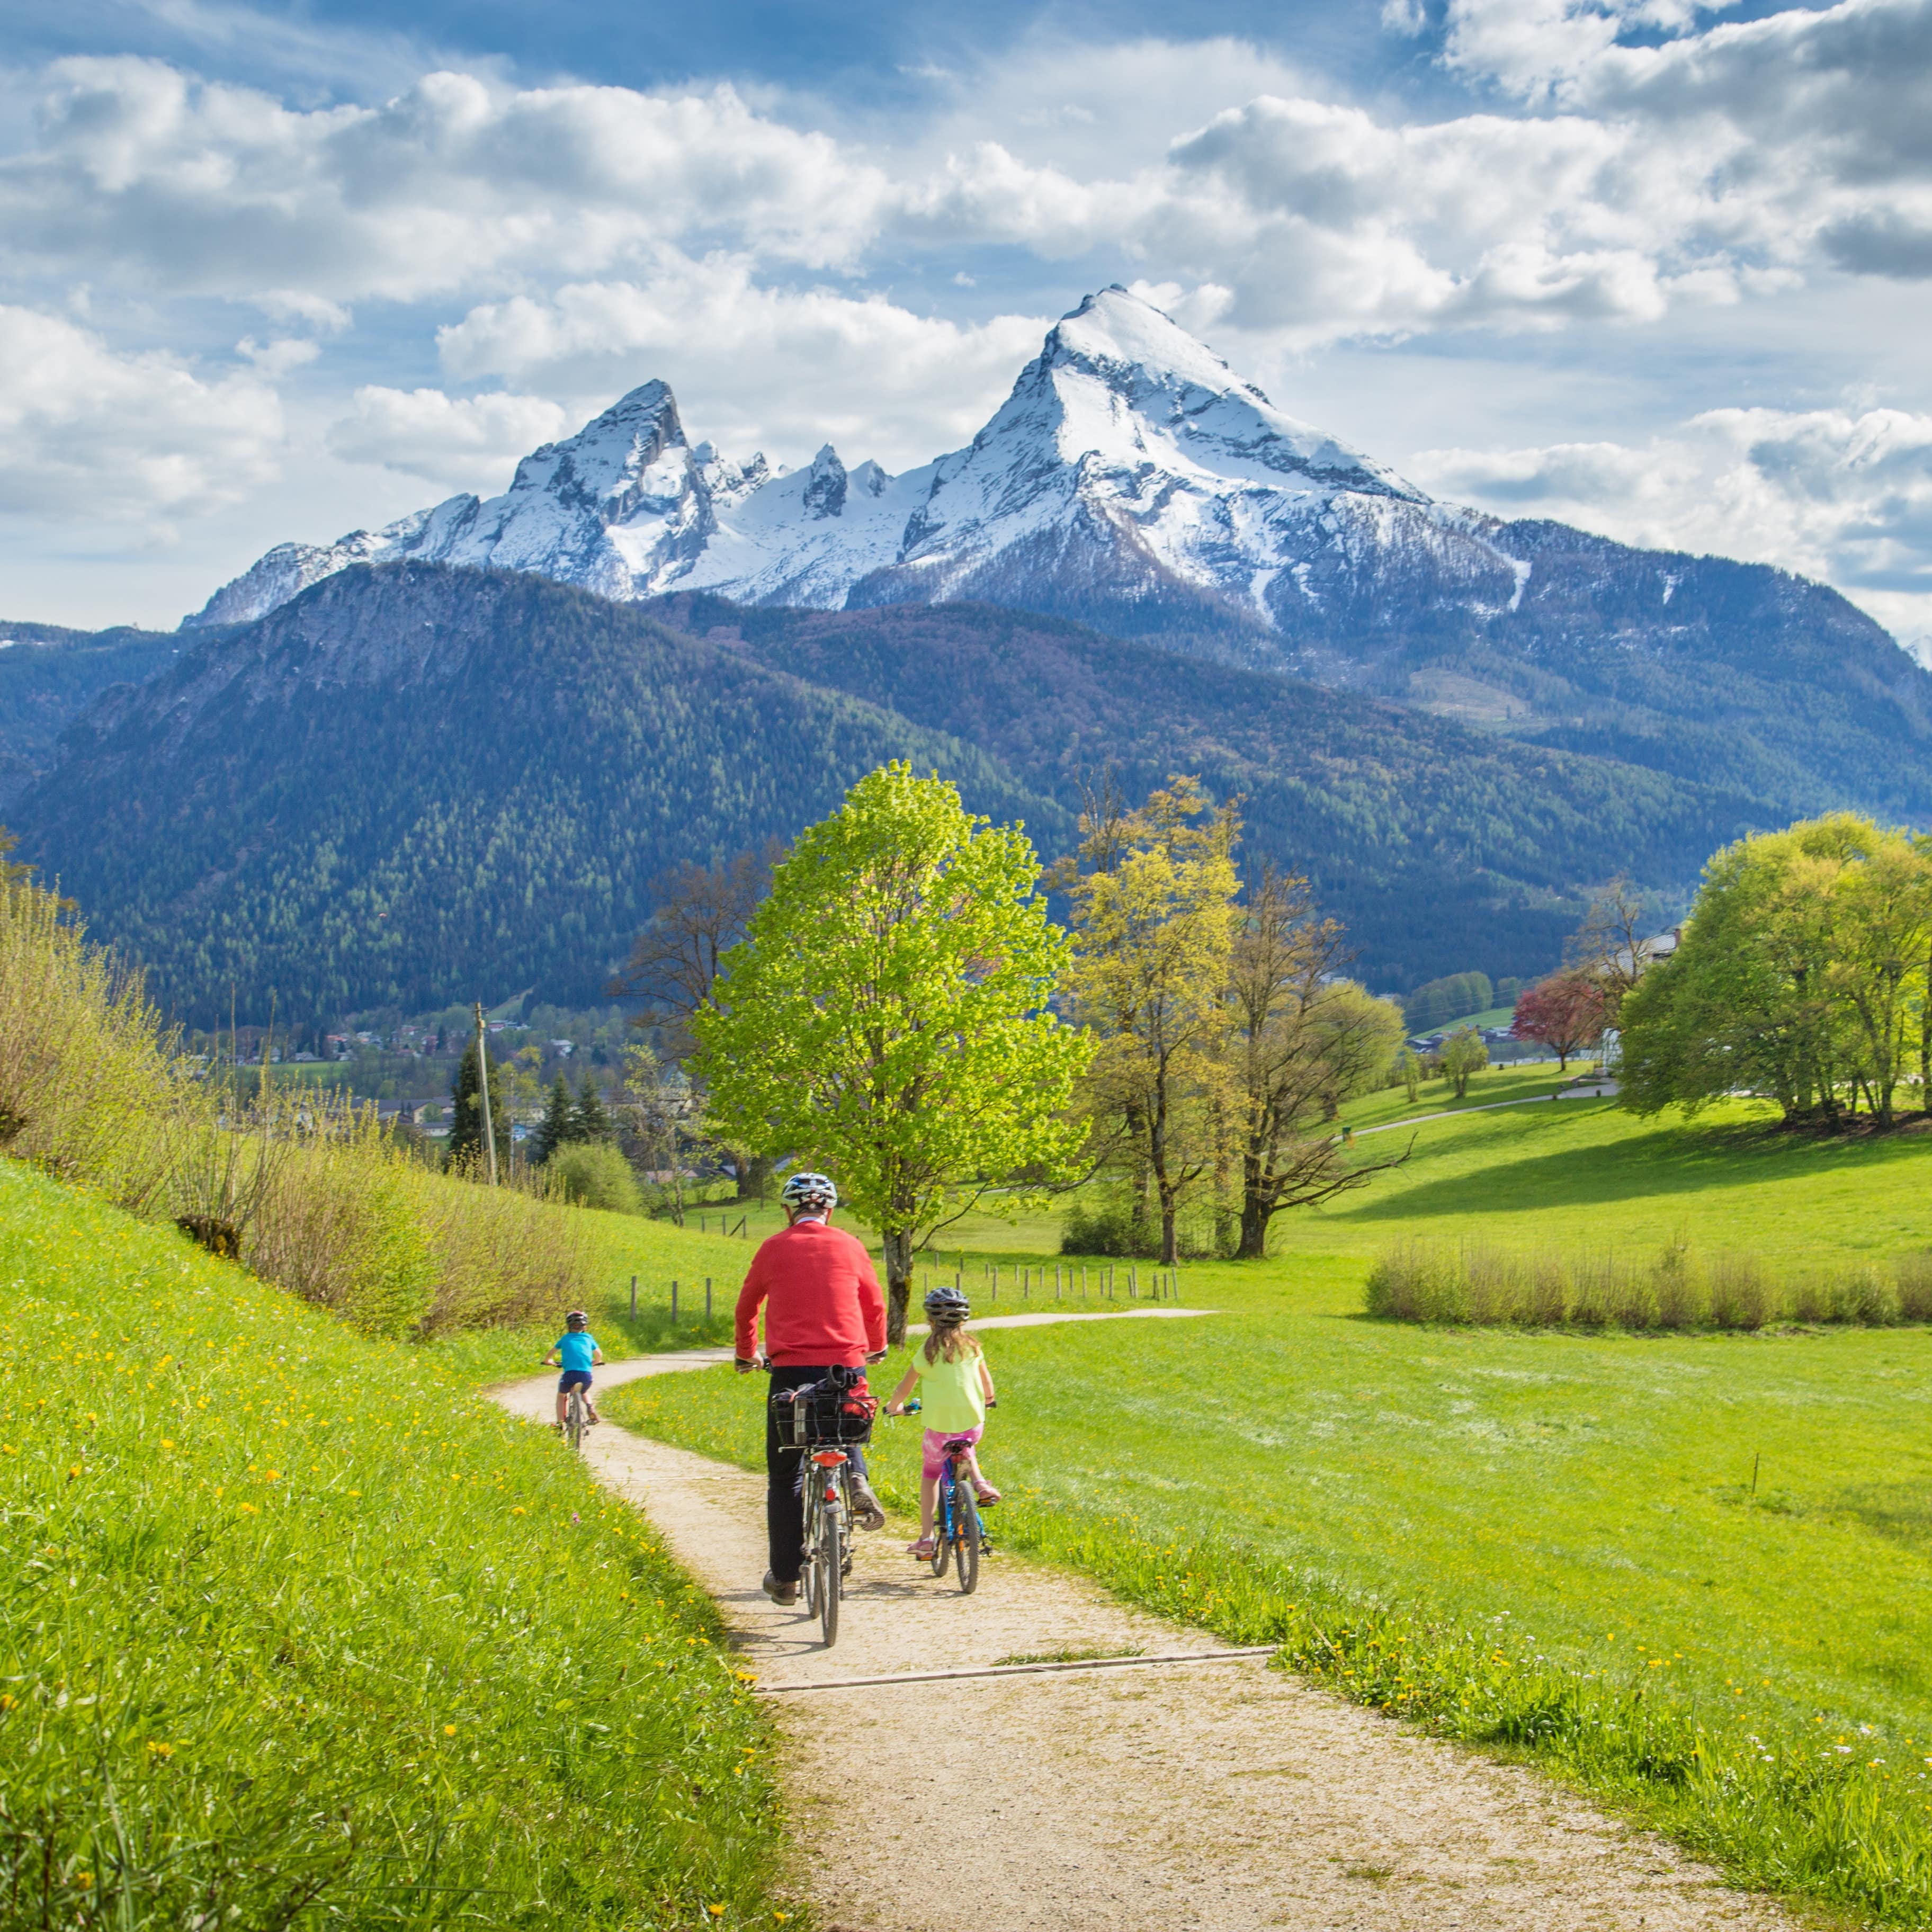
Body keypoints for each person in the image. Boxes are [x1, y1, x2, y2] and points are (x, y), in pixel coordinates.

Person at [735, 1170, 889, 1606]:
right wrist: (875, 1348)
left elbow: (747, 1307)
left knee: (785, 1475)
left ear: (789, 1210)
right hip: (848, 1365)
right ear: (830, 1210)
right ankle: (856, 1478)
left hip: (790, 1372)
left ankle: (786, 1578)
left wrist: (747, 1353)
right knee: (844, 1421)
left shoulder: (773, 1248)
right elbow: (874, 1304)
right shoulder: (851, 1245)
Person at [884, 1285, 1000, 1561]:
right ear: (963, 1321)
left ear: (931, 1321)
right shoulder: (974, 1348)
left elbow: (904, 1388)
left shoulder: (927, 1354)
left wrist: (894, 1408)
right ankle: (980, 1483)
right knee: (967, 1445)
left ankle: (926, 1539)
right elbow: (987, 1384)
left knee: (930, 1475)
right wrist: (989, 1400)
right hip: (973, 1424)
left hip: (939, 1430)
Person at [543, 1310, 604, 1428]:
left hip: (569, 1375)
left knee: (561, 1395)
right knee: (584, 1392)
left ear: (569, 1326)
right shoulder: (588, 1338)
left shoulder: (565, 1339)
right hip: (586, 1376)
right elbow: (599, 1355)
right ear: (585, 1326)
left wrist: (548, 1361)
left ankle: (560, 1423)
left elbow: (551, 1352)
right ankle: (590, 1407)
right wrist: (595, 1362)